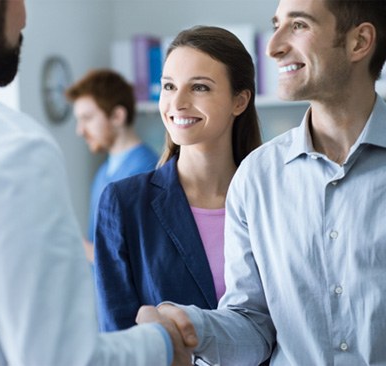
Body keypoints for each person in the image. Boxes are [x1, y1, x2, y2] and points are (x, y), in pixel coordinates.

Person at [141, 0, 386, 364]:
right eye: (276, 25)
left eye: (298, 26)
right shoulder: (255, 178)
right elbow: (253, 327)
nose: (273, 46)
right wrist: (194, 326)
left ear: (359, 42)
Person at [0, 0, 195, 364]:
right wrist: (163, 341)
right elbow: (62, 358)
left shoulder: (143, 172)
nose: (25, 16)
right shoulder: (11, 148)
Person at [94, 25, 262, 331]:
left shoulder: (271, 200)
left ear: (239, 101)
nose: (177, 102)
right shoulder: (125, 203)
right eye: (169, 86)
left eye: (199, 87)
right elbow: (119, 338)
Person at [65, 69, 158, 263]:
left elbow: (140, 258)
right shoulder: (103, 173)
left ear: (117, 116)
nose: (80, 130)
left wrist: (78, 247)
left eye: (87, 118)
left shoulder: (148, 172)